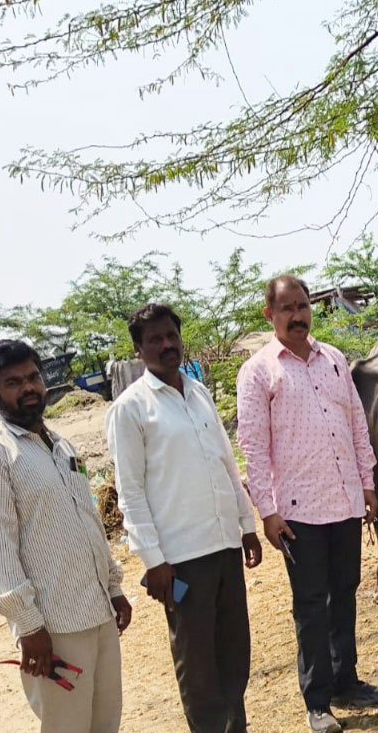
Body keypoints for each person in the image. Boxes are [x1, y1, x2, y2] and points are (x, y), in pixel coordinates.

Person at [237, 274, 378, 733]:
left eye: (302, 306)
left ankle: (346, 680)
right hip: (298, 513)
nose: (297, 315)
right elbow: (254, 447)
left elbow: (357, 424)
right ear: (270, 315)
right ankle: (317, 701)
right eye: (287, 309)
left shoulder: (335, 361)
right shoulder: (259, 371)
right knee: (310, 607)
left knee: (344, 596)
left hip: (344, 504)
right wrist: (267, 511)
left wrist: (368, 484)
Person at [106, 304, 263, 733]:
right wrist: (153, 561)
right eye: (154, 339)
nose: (166, 344)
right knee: (198, 667)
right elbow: (131, 493)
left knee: (234, 654)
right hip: (181, 560)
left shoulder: (198, 393)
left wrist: (246, 526)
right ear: (139, 350)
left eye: (171, 336)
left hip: (225, 546)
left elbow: (226, 465)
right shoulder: (131, 409)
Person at [0, 339, 132, 732]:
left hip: (97, 608)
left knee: (105, 723)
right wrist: (29, 627)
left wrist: (113, 586)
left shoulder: (61, 444)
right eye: (13, 382)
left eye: (33, 377)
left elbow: (88, 520)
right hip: (54, 627)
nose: (29, 388)